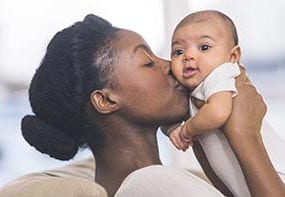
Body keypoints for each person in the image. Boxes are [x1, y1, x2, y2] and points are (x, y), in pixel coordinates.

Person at [0, 14, 284, 197]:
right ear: (106, 100)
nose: (170, 66)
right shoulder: (149, 186)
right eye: (148, 61)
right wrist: (246, 135)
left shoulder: (171, 178)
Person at [162, 10, 285, 196]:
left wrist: (186, 130)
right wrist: (171, 129)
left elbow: (218, 112)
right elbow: (168, 115)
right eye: (178, 51)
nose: (188, 56)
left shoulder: (221, 75)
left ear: (233, 57)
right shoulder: (194, 90)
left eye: (204, 47)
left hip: (276, 175)